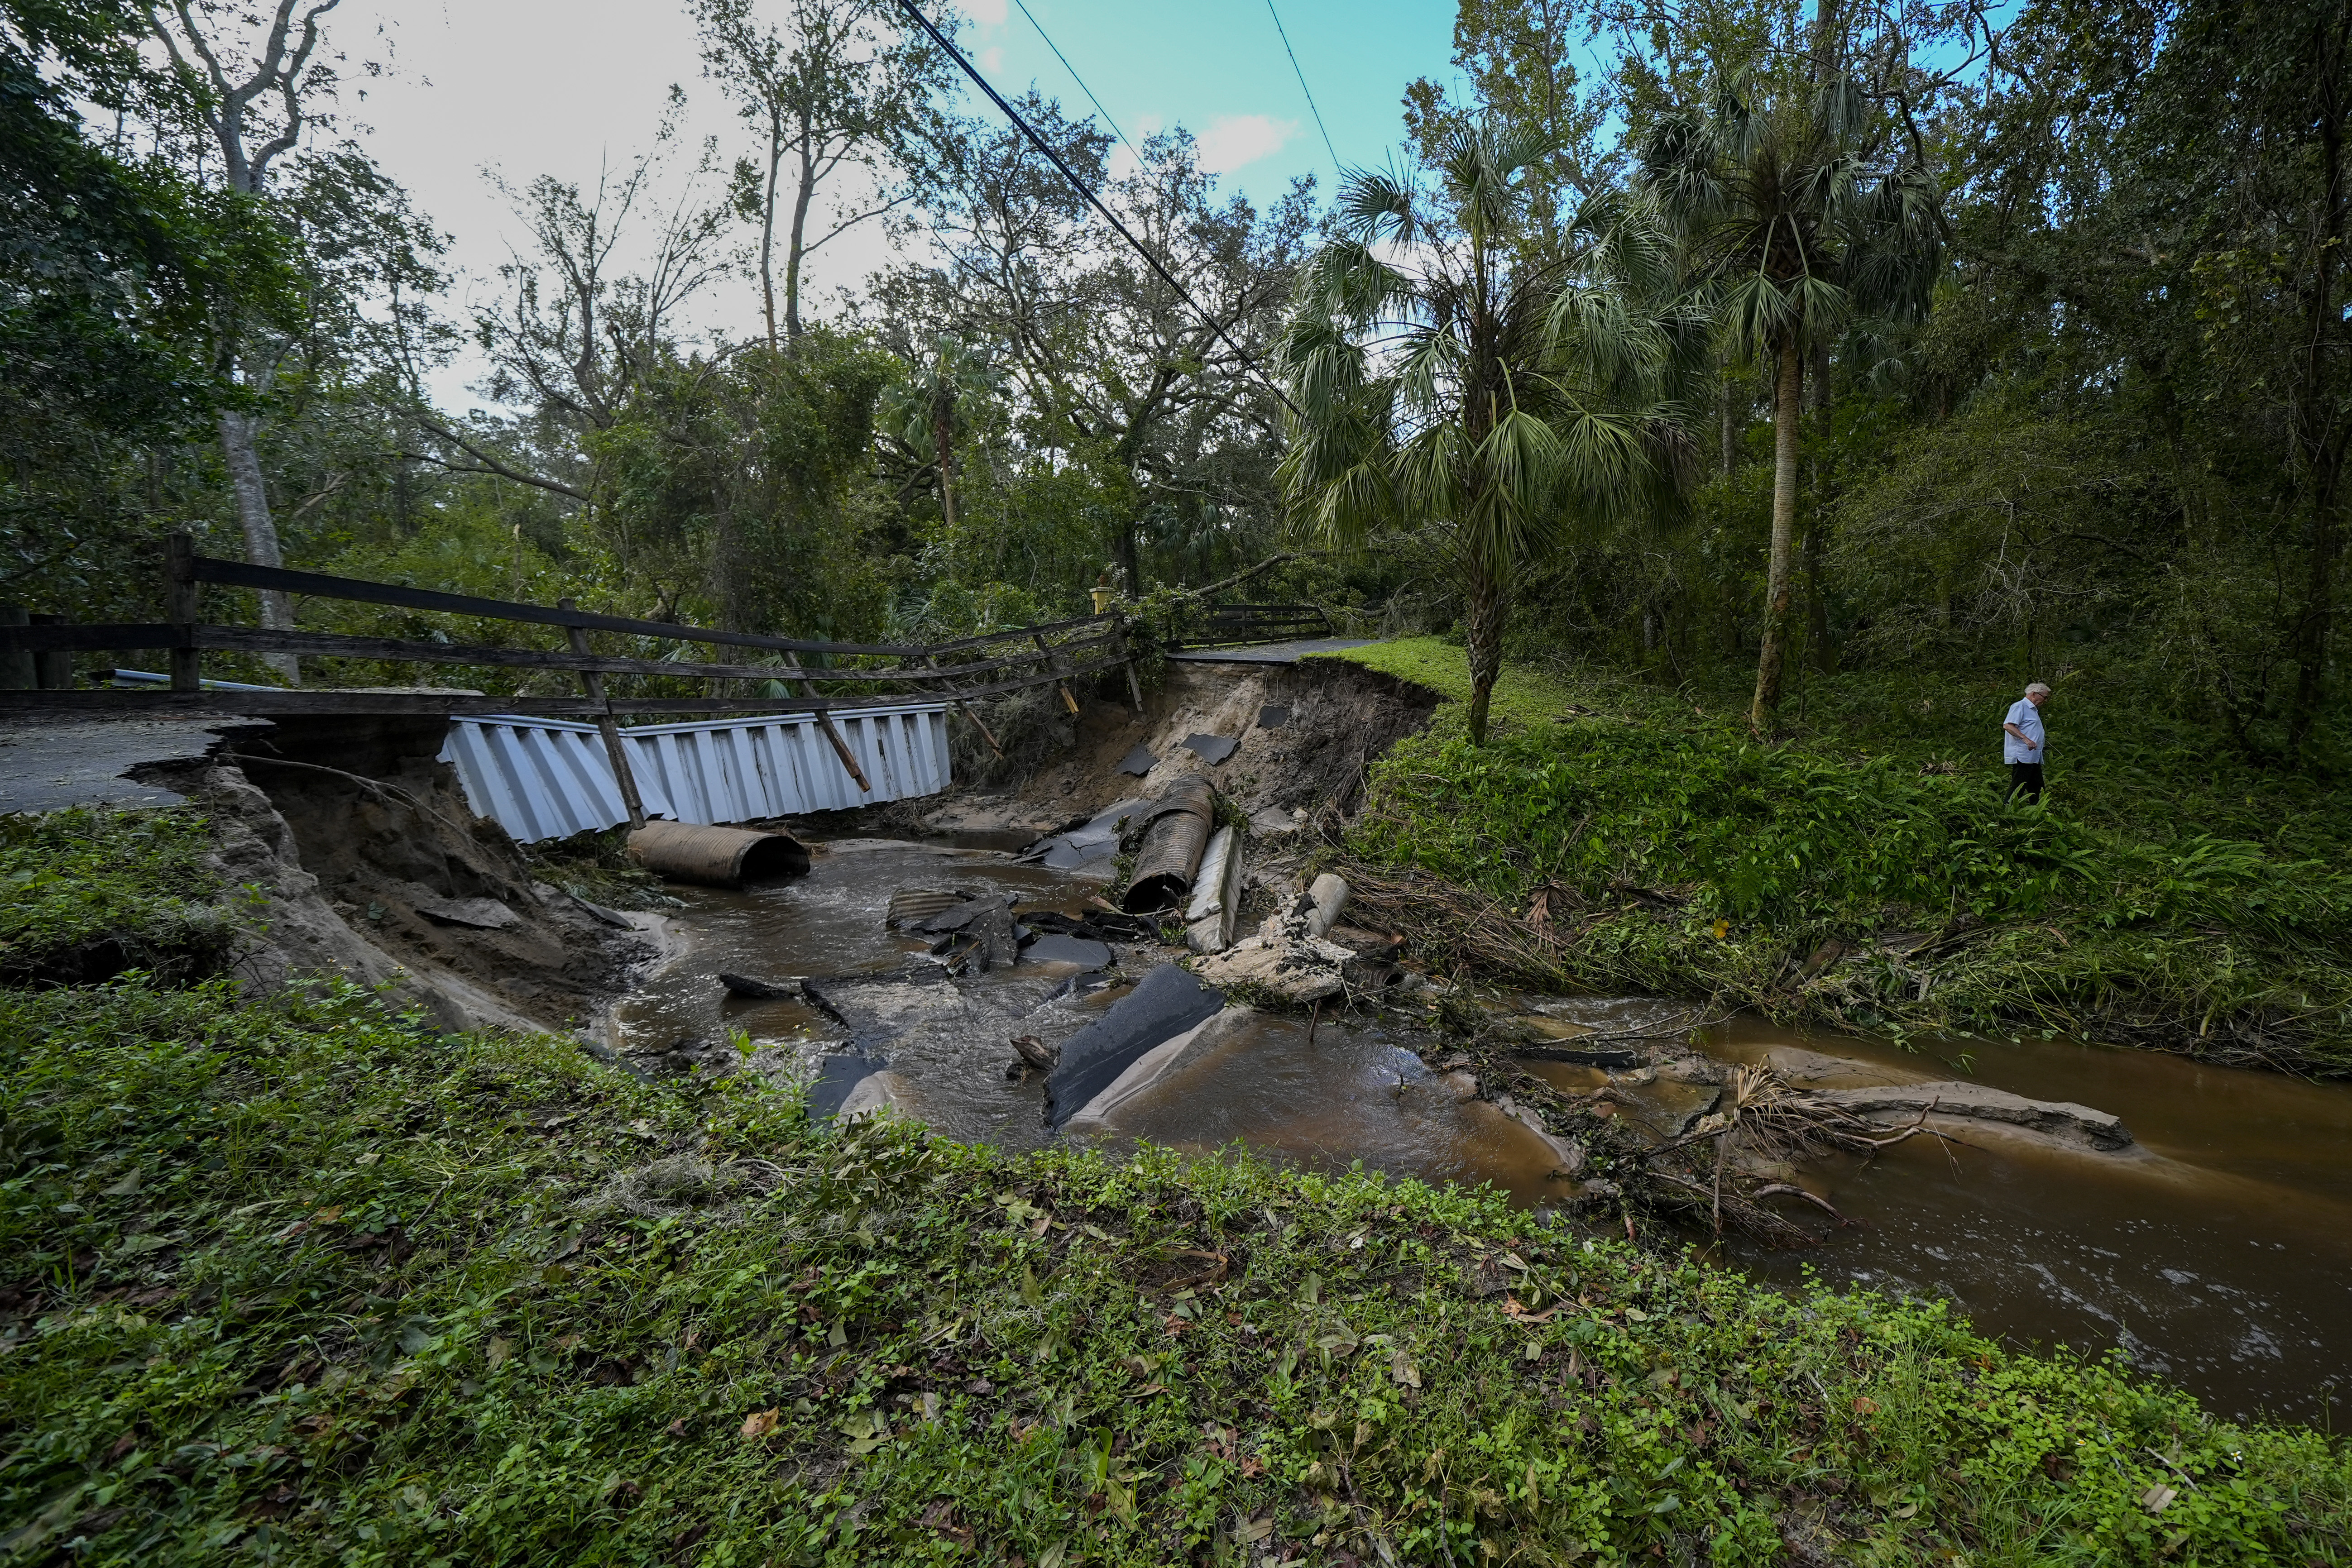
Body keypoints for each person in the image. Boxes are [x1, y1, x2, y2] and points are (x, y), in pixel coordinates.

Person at [2002, 681, 2051, 801]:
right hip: (2023, 754)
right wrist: (2026, 739)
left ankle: (2037, 811)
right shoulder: (2020, 706)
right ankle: (2007, 811)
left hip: (2033, 755)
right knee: (2019, 784)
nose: (2045, 701)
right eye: (2044, 697)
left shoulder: (2033, 710)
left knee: (2037, 785)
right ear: (2034, 694)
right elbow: (2008, 726)